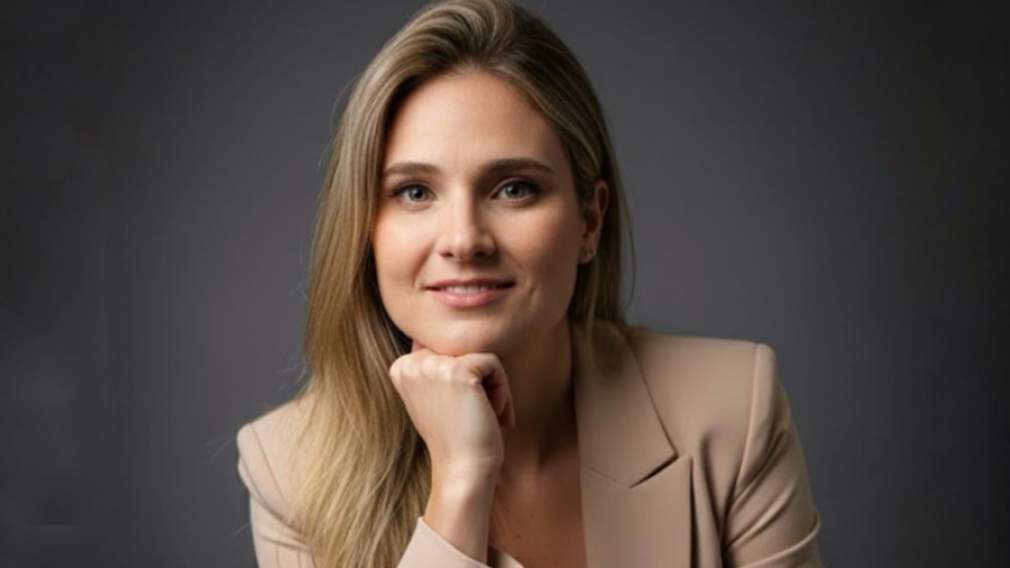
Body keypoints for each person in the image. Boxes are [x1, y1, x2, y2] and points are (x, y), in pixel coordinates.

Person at [235, 0, 824, 566]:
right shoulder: (289, 470)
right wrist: (460, 481)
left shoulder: (730, 409)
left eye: (514, 188)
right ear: (364, 228)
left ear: (589, 220)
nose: (463, 239)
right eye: (414, 192)